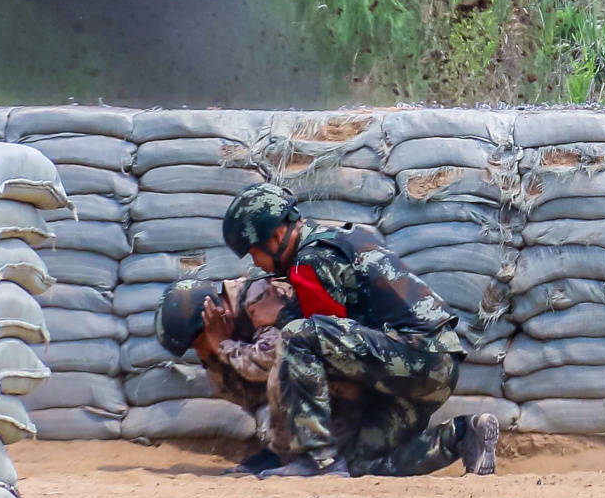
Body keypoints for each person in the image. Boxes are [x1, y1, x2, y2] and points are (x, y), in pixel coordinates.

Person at [221, 181, 499, 478]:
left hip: (416, 357)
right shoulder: (340, 238)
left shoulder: (311, 260)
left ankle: (317, 459)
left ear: (275, 237)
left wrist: (280, 316)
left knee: (297, 335)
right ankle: (462, 435)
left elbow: (322, 341)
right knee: (361, 465)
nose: (257, 265)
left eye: (254, 254)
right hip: (433, 365)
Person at [156, 274, 299, 475]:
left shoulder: (260, 296)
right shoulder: (219, 349)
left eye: (198, 345)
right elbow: (248, 397)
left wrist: (223, 344)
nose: (201, 354)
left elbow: (271, 360)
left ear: (214, 318)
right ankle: (283, 452)